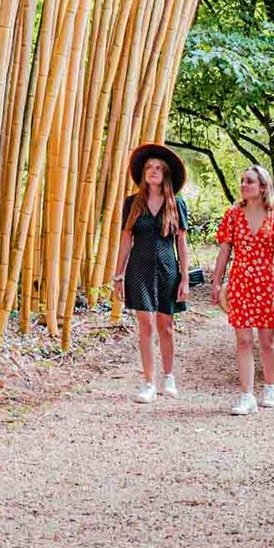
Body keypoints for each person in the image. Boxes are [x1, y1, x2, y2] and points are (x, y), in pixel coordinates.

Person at [211, 165, 274, 416]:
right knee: (243, 340)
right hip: (240, 281)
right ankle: (246, 395)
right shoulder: (233, 214)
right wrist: (216, 282)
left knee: (267, 341)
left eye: (249, 181)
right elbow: (224, 251)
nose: (243, 185)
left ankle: (270, 387)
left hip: (267, 283)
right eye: (241, 181)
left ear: (263, 186)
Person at [111, 144, 190, 402]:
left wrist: (185, 278)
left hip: (168, 267)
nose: (153, 171)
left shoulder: (176, 203)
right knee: (145, 325)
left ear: (165, 173)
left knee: (165, 326)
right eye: (149, 168)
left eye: (158, 168)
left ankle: (168, 376)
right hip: (139, 268)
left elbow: (181, 243)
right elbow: (126, 240)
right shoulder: (132, 203)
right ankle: (148, 382)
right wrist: (118, 275)